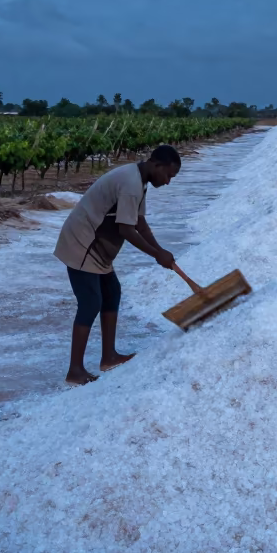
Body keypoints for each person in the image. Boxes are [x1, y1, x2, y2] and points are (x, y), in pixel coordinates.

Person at [53, 144, 180, 385]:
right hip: (83, 242)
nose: (168, 182)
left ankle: (109, 357)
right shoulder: (132, 184)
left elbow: (140, 223)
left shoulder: (139, 180)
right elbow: (127, 230)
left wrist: (160, 250)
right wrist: (155, 254)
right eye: (168, 175)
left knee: (112, 293)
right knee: (91, 302)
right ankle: (75, 371)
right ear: (156, 165)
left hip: (98, 247)